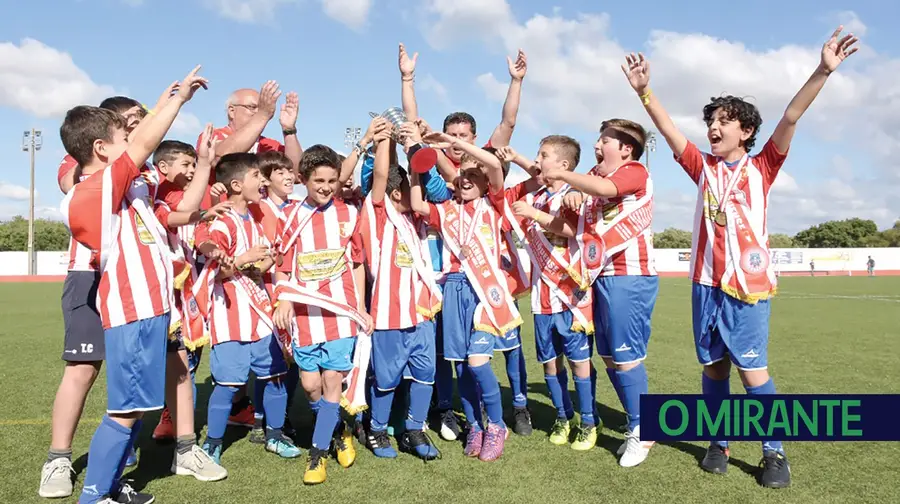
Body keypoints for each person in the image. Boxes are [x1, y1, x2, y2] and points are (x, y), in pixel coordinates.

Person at [625, 26, 859, 488]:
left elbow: (790, 117)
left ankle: (774, 452)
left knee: (753, 372)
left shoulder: (763, 165)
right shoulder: (702, 167)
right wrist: (645, 92)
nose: (713, 127)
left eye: (723, 122)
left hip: (747, 289)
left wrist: (821, 71)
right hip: (705, 286)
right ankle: (720, 440)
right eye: (710, 121)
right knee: (713, 369)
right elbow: (669, 131)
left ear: (746, 131)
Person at [59, 65, 209, 504]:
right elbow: (144, 144)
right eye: (124, 138)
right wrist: (177, 100)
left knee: (138, 406)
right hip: (132, 311)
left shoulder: (128, 192)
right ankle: (93, 496)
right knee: (124, 410)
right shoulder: (96, 188)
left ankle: (112, 486)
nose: (136, 144)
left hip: (152, 310)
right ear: (102, 149)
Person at [399, 43, 534, 437]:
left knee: (507, 345)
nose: (456, 141)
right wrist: (408, 79)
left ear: (474, 137)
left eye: (463, 136)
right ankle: (454, 412)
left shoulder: (483, 170)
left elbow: (507, 125)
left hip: (490, 271)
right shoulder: (447, 176)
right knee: (452, 349)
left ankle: (518, 405)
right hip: (448, 269)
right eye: (452, 134)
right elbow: (412, 132)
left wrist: (515, 81)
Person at [40, 94, 151, 499]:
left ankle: (114, 471)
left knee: (134, 378)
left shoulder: (141, 165)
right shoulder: (82, 159)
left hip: (136, 282)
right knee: (83, 368)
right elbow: (78, 183)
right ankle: (58, 458)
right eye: (132, 120)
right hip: (89, 275)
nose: (140, 124)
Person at [547, 120, 659, 467]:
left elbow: (607, 189)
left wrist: (564, 177)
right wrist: (571, 194)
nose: (597, 144)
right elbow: (571, 211)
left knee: (626, 356)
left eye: (605, 140)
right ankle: (636, 420)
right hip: (602, 276)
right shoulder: (593, 176)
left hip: (630, 276)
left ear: (625, 148)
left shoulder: (634, 171)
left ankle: (644, 429)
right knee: (610, 357)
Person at [410, 131, 523, 462]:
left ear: (486, 182)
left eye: (475, 175)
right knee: (462, 366)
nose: (467, 179)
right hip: (454, 288)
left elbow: (492, 164)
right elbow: (417, 204)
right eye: (462, 176)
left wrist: (454, 144)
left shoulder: (494, 203)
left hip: (485, 292)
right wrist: (417, 163)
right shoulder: (445, 209)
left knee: (477, 362)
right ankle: (475, 426)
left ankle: (497, 425)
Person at [273, 145, 371, 485]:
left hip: (340, 314)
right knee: (310, 385)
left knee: (332, 381)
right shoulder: (290, 217)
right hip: (305, 316)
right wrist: (284, 300)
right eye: (319, 180)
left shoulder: (349, 214)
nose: (326, 186)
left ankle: (317, 457)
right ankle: (338, 429)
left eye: (332, 180)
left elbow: (356, 263)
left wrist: (359, 306)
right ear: (304, 180)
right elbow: (282, 267)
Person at [197, 152, 302, 466]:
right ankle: (213, 443)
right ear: (236, 184)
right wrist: (244, 261)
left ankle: (275, 435)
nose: (264, 181)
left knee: (276, 377)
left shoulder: (258, 217)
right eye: (258, 176)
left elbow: (269, 256)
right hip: (231, 314)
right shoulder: (222, 220)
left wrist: (264, 261)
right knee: (228, 384)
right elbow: (214, 266)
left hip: (261, 312)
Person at [501, 137, 600, 451]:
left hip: (571, 295)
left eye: (543, 155)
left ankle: (587, 421)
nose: (538, 160)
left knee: (579, 363)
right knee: (549, 363)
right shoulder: (538, 194)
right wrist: (516, 157)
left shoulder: (574, 196)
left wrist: (533, 213)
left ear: (564, 165)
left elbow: (573, 231)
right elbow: (535, 173)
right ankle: (562, 416)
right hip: (542, 298)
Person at [148, 137, 230, 482]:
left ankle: (184, 445)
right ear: (163, 167)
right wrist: (202, 205)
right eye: (187, 164)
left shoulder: (180, 198)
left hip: (186, 299)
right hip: (157, 297)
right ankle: (126, 447)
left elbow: (196, 231)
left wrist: (210, 245)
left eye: (194, 165)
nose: (192, 170)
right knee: (150, 372)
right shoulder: (154, 195)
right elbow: (177, 218)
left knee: (184, 364)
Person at [357, 126, 442, 460]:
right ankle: (377, 430)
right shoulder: (380, 214)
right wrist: (383, 142)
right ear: (395, 193)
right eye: (409, 186)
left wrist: (415, 147)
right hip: (389, 314)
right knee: (387, 378)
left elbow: (433, 186)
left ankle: (414, 429)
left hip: (422, 313)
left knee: (425, 374)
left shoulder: (417, 220)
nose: (416, 191)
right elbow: (380, 176)